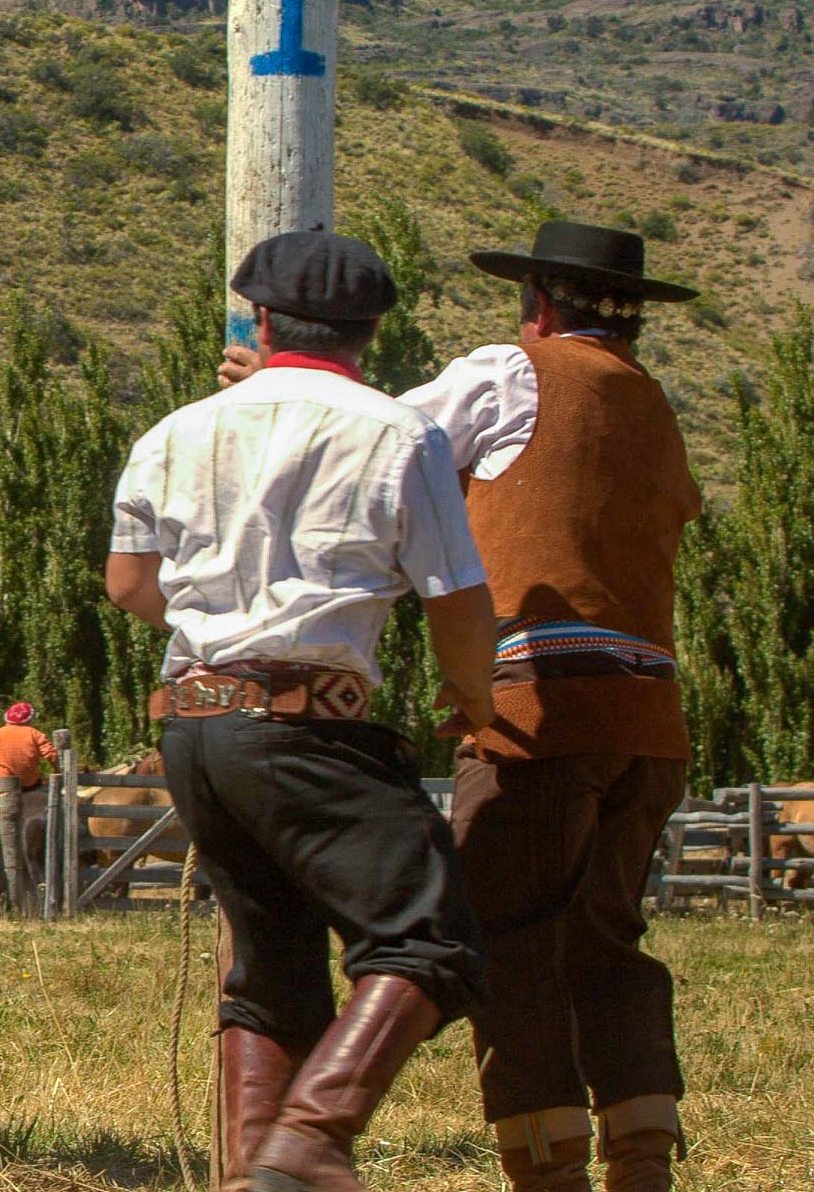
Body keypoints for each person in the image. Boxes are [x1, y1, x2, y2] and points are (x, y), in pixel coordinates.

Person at [223, 223, 701, 1191]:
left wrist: (277, 397)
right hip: (649, 726)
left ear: (537, 304)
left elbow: (381, 444)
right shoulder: (651, 406)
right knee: (605, 938)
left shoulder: (511, 375)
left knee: (509, 939)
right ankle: (642, 1156)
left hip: (539, 715)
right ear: (630, 318)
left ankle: (548, 1167)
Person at [111, 231, 497, 1192]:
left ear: (264, 320)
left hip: (195, 726)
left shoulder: (174, 431)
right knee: (427, 937)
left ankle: (256, 1177)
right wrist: (474, 695)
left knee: (271, 971)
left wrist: (221, 631)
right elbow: (456, 599)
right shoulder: (401, 433)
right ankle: (310, 1141)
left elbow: (127, 585)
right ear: (372, 330)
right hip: (307, 724)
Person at [0, 700, 57, 908]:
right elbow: (52, 755)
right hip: (31, 786)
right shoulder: (34, 733)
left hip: (3, 790)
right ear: (29, 718)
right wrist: (57, 771)